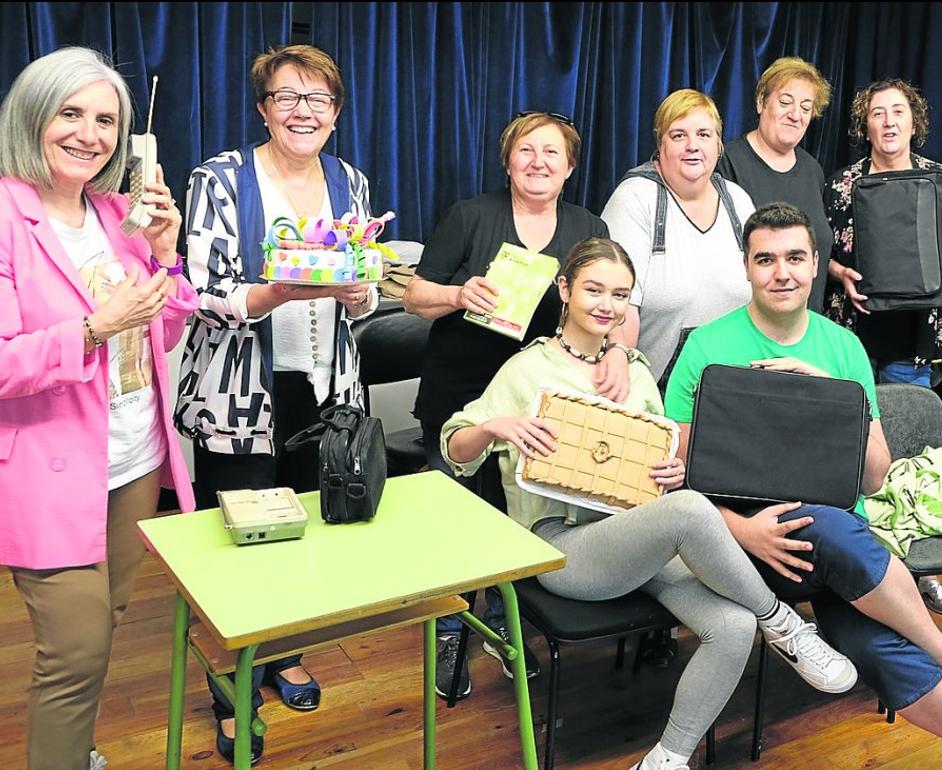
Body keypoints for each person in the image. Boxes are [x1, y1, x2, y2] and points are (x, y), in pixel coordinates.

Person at [442, 237, 855, 770]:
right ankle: (784, 623)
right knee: (691, 511)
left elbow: (660, 460)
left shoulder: (634, 371)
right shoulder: (526, 369)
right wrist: (495, 427)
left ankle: (667, 759)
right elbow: (455, 449)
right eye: (593, 290)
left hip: (637, 534)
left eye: (620, 294)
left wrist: (673, 470)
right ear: (564, 290)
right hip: (562, 545)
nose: (606, 305)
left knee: (732, 626)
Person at [665, 203, 942, 770]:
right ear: (746, 267)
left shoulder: (841, 348)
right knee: (828, 532)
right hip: (741, 548)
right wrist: (742, 531)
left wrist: (835, 400)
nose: (782, 273)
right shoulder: (706, 347)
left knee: (874, 643)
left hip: (842, 545)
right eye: (766, 260)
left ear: (816, 263)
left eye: (795, 258)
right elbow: (677, 480)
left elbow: (875, 476)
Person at [176, 44, 379, 763]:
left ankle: (283, 651)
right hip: (240, 393)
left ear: (336, 112)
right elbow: (201, 294)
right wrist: (275, 292)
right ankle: (231, 694)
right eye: (287, 96)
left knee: (304, 534)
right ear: (264, 109)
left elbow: (364, 287)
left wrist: (359, 293)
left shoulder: (349, 181)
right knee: (237, 545)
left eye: (318, 98)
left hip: (324, 392)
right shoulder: (220, 178)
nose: (303, 111)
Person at [0, 46, 194, 770]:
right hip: (51, 469)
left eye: (106, 120)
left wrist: (166, 254)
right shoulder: (5, 216)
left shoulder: (117, 215)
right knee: (75, 652)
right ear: (32, 117)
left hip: (134, 460)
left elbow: (160, 334)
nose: (90, 134)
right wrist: (91, 329)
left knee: (105, 621)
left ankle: (75, 750)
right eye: (70, 113)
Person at [404, 110, 614, 700]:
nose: (538, 162)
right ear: (507, 160)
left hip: (540, 403)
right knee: (454, 521)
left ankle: (501, 624)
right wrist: (457, 293)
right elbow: (415, 296)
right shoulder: (471, 216)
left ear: (569, 168)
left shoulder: (587, 226)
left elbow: (611, 302)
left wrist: (619, 352)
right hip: (459, 396)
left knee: (516, 520)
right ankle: (449, 631)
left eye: (552, 153)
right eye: (526, 150)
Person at [822, 78, 942, 617]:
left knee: (907, 460)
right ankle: (855, 571)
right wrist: (839, 273)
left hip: (915, 339)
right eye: (877, 113)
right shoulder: (843, 183)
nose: (888, 122)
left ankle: (918, 575)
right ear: (864, 125)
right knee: (851, 456)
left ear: (915, 122)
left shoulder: (941, 178)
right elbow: (819, 251)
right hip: (852, 336)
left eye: (898, 112)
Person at [602, 88, 756, 381]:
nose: (692, 146)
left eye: (704, 134)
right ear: (660, 145)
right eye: (678, 135)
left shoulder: (738, 200)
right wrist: (623, 367)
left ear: (719, 145)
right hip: (654, 389)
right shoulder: (635, 199)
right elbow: (618, 301)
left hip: (731, 385)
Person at [718, 56, 834, 312]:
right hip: (749, 326)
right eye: (785, 102)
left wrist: (835, 268)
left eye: (806, 108)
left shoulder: (813, 170)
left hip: (806, 326)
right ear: (761, 102)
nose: (795, 115)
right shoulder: (726, 164)